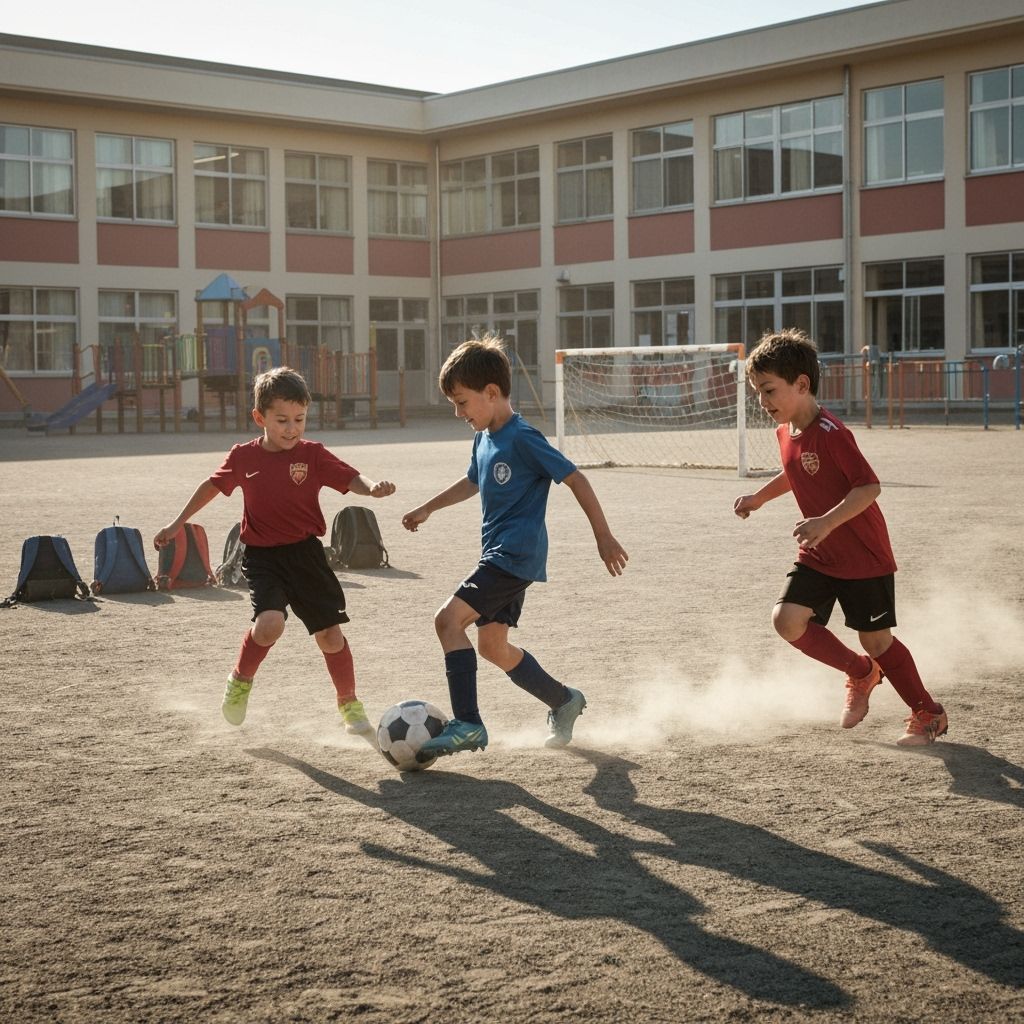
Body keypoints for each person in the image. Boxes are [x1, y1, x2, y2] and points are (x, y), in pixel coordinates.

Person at [402, 335, 628, 760]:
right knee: (492, 647)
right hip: (501, 556)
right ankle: (564, 701)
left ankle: (468, 722)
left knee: (447, 622)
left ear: (491, 393)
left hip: (512, 557)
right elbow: (473, 481)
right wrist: (428, 507)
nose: (457, 412)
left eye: (462, 401)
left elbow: (576, 478)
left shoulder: (523, 437)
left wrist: (603, 535)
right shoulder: (484, 437)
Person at [733, 329, 947, 746]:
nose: (763, 401)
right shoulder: (785, 432)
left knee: (877, 639)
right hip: (820, 553)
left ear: (801, 384)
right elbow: (796, 473)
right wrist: (759, 497)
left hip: (863, 556)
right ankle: (860, 671)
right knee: (787, 621)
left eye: (769, 390)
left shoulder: (832, 432)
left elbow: (868, 487)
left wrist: (826, 521)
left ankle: (928, 713)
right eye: (757, 392)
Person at [154, 366, 395, 733]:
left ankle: (349, 703)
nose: (291, 428)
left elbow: (350, 477)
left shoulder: (312, 455)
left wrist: (373, 487)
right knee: (269, 626)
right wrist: (176, 523)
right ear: (259, 417)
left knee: (330, 636)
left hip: (306, 555)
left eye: (299, 419)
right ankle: (239, 680)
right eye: (282, 420)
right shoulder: (243, 457)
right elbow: (211, 486)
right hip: (263, 556)